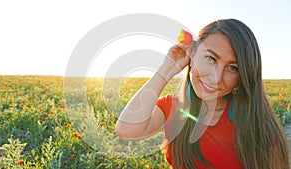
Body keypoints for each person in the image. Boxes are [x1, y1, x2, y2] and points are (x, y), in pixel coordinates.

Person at [115, 19, 290, 169]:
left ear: (242, 77)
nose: (216, 77)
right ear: (192, 54)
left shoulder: (257, 127)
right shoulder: (172, 108)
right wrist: (167, 68)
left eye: (232, 68)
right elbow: (126, 129)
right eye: (210, 58)